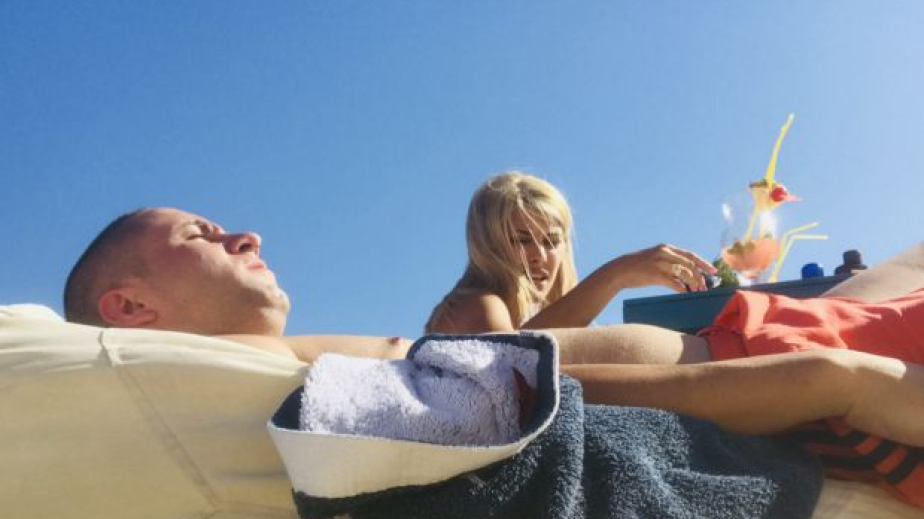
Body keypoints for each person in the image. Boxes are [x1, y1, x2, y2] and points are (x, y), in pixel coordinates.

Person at [63, 206, 924, 505]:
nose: (246, 234)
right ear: (129, 308)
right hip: (765, 364)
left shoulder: (291, 371)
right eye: (201, 235)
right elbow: (536, 389)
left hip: (767, 344)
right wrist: (820, 380)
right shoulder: (301, 384)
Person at [425, 171, 717, 334]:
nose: (540, 256)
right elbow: (514, 368)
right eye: (521, 240)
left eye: (552, 242)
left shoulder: (530, 317)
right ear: (488, 245)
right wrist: (617, 275)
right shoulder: (476, 305)